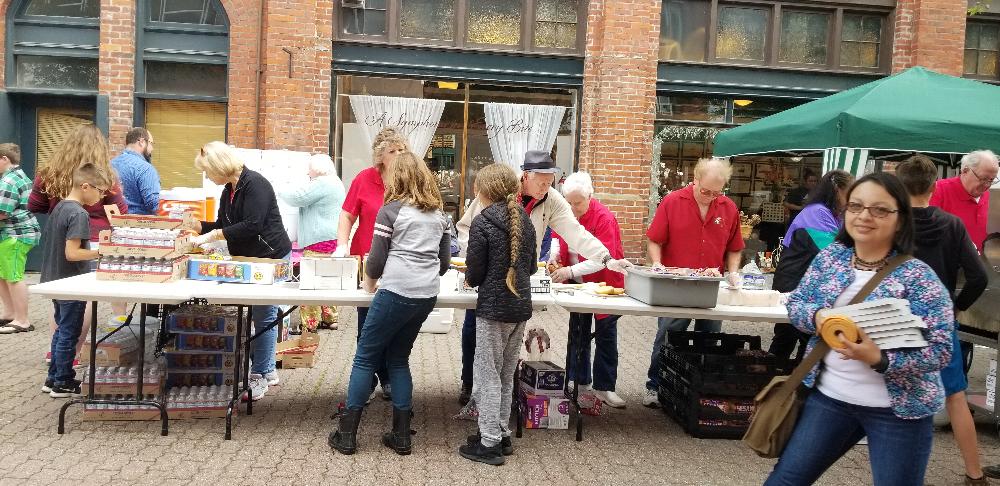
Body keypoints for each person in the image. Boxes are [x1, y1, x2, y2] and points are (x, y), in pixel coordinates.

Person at [765, 173, 954, 486]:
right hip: (831, 399)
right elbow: (796, 304)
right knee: (784, 482)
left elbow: (941, 349)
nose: (864, 216)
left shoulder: (919, 277)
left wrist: (880, 358)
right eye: (856, 206)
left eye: (880, 210)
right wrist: (817, 317)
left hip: (899, 411)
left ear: (900, 219)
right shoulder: (831, 258)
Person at [456, 150, 631, 405]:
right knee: (474, 326)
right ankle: (469, 383)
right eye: (541, 182)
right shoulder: (500, 187)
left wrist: (606, 259)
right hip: (488, 277)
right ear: (525, 176)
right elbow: (466, 227)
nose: (545, 188)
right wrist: (472, 260)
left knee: (509, 340)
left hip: (520, 280)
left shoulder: (552, 199)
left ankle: (498, 399)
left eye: (550, 182)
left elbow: (576, 233)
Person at [329, 151, 450, 456]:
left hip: (395, 291)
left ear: (397, 179)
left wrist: (369, 285)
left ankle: (347, 435)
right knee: (398, 359)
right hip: (425, 296)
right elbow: (445, 263)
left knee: (365, 357)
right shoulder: (440, 215)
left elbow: (376, 261)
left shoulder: (390, 211)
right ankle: (401, 436)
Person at [897, 155, 990, 486]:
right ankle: (974, 474)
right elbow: (979, 276)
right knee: (955, 397)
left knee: (884, 390)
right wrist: (955, 307)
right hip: (939, 320)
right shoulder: (953, 225)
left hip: (893, 321)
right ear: (934, 186)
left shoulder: (891, 224)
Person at [189, 141, 292, 401]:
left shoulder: (256, 184)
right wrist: (198, 225)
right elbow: (224, 224)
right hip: (250, 258)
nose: (207, 177)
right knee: (260, 314)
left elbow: (253, 224)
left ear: (219, 166)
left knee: (265, 314)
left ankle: (260, 374)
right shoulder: (229, 190)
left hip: (270, 256)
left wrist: (212, 234)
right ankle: (267, 371)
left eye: (207, 171)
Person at [643, 157, 745, 407]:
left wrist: (733, 272)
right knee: (668, 335)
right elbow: (655, 239)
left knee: (709, 338)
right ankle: (654, 386)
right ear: (695, 180)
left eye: (715, 193)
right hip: (676, 284)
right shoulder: (673, 201)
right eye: (705, 191)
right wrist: (657, 263)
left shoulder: (728, 207)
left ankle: (701, 390)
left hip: (709, 285)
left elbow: (734, 247)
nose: (709, 196)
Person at [29, 124, 129, 358]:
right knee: (82, 301)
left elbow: (34, 205)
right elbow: (120, 212)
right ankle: (71, 354)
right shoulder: (103, 176)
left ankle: (57, 352)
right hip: (93, 243)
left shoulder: (49, 173)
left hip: (60, 240)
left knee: (63, 299)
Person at [459, 163, 535, 465]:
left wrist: (469, 278)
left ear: (483, 191)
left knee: (487, 374)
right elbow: (529, 268)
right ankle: (500, 433)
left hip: (493, 308)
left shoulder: (483, 221)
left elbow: (475, 273)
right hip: (520, 308)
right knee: (505, 374)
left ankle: (488, 443)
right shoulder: (525, 220)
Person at [333, 127, 409, 400]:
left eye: (402, 149)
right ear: (380, 157)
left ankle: (388, 375)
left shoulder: (411, 181)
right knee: (368, 324)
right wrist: (341, 246)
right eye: (393, 151)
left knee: (395, 323)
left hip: (401, 263)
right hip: (367, 262)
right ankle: (366, 380)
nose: (400, 154)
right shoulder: (365, 179)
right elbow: (346, 215)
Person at [549, 171, 626, 408]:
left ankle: (605, 387)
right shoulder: (564, 212)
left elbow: (602, 257)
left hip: (605, 282)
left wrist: (568, 272)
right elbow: (556, 238)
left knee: (605, 333)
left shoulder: (604, 218)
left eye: (577, 202)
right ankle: (579, 380)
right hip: (579, 285)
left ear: (590, 196)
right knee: (578, 331)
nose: (572, 208)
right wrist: (554, 258)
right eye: (569, 202)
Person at [39, 163, 111, 398]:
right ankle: (63, 381)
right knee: (70, 332)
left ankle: (53, 378)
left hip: (55, 279)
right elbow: (73, 253)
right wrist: (101, 252)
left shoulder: (60, 207)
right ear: (85, 186)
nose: (101, 197)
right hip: (71, 281)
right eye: (100, 191)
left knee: (61, 331)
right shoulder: (79, 213)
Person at [770, 170, 854, 365]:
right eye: (848, 193)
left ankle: (790, 381)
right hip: (793, 281)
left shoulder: (831, 214)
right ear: (836, 190)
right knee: (788, 336)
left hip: (803, 281)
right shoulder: (817, 213)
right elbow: (835, 251)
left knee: (798, 338)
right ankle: (773, 381)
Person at [279, 154, 346, 331]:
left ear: (317, 168)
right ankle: (330, 318)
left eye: (309, 168)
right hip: (333, 237)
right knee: (327, 279)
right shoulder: (336, 182)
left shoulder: (322, 183)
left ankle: (310, 323)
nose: (308, 172)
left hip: (318, 239)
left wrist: (277, 189)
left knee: (310, 280)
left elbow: (298, 198)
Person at [0, 144, 40, 334]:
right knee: (3, 275)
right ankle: (9, 314)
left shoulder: (8, 180)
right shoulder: (20, 175)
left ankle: (22, 320)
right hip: (14, 234)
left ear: (4, 159)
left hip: (15, 234)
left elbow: (2, 211)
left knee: (14, 276)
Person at [930, 149, 998, 252]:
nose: (987, 185)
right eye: (983, 179)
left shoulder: (992, 196)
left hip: (979, 261)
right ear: (965, 171)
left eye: (991, 180)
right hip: (948, 262)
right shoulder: (938, 190)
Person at [110, 127, 160, 215]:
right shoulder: (146, 169)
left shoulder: (110, 164)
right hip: (139, 224)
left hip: (113, 222)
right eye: (151, 143)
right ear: (141, 142)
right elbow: (153, 204)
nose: (152, 148)